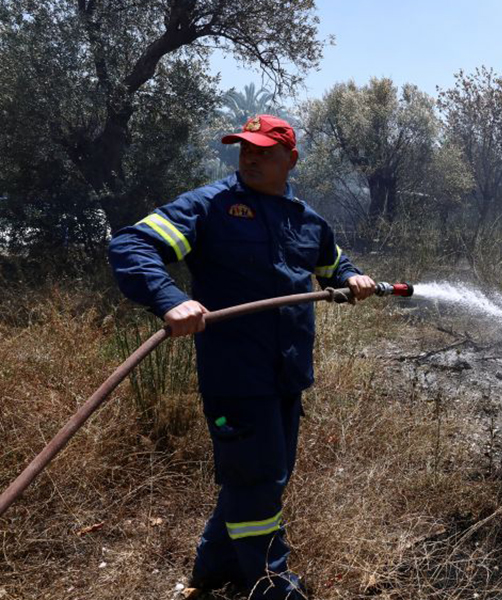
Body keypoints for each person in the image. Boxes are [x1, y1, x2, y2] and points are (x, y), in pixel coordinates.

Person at [108, 114, 376, 599]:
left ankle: (214, 568)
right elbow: (132, 243)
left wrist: (352, 279)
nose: (249, 157)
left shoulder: (305, 219)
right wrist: (170, 299)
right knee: (256, 481)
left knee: (262, 476)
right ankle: (271, 586)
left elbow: (333, 266)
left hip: (288, 374)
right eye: (244, 149)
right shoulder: (210, 207)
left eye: (263, 151)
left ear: (290, 160)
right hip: (235, 374)